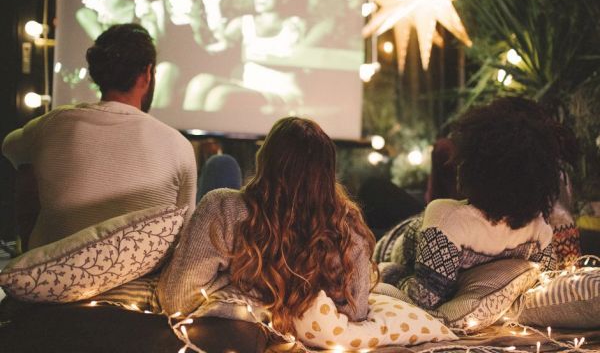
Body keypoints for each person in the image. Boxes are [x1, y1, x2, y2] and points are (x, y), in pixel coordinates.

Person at [157, 117, 377, 335]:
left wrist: (236, 286)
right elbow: (356, 313)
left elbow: (176, 300)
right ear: (328, 174)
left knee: (221, 165)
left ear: (263, 160)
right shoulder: (348, 226)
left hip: (232, 328)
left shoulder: (223, 208)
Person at [2, 23, 197, 250]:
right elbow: (185, 237)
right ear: (146, 74)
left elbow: (9, 146)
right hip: (140, 279)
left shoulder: (52, 124)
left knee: (29, 165)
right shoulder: (178, 145)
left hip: (53, 275)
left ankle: (26, 254)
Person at [376, 97, 574, 309]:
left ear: (476, 167)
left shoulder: (448, 220)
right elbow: (548, 283)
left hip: (388, 245)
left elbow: (425, 298)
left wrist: (386, 273)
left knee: (375, 187)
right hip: (417, 226)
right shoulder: (539, 230)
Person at [183, 0, 311, 114]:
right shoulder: (243, 22)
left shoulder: (297, 24)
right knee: (200, 82)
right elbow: (216, 46)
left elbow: (311, 54)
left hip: (282, 91)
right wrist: (197, 23)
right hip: (248, 86)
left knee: (219, 95)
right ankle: (185, 136)